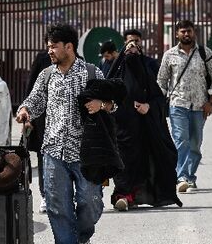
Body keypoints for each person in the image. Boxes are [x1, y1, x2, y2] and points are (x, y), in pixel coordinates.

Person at [15, 24, 116, 244]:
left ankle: (80, 237)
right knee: (56, 204)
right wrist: (25, 110)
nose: (49, 51)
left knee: (91, 202)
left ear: (68, 47)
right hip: (53, 150)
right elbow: (35, 100)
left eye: (53, 47)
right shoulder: (47, 75)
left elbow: (112, 104)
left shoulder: (91, 72)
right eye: (48, 47)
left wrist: (101, 104)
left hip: (86, 152)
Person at [107, 39, 182, 211]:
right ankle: (122, 195)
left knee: (141, 162)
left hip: (143, 128)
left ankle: (131, 196)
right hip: (120, 128)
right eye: (128, 51)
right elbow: (105, 97)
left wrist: (148, 107)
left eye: (135, 52)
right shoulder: (116, 75)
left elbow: (158, 99)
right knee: (122, 161)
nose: (131, 54)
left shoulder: (147, 75)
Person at [157, 20, 212, 193]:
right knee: (181, 140)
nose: (186, 34)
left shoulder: (204, 53)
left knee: (195, 143)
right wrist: (158, 101)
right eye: (183, 31)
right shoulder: (170, 55)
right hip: (178, 104)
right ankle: (181, 177)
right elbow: (162, 80)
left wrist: (211, 102)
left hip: (200, 106)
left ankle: (190, 177)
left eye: (189, 31)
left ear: (194, 33)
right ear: (177, 34)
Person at [25, 49, 52, 213]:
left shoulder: (79, 63)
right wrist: (28, 116)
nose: (52, 50)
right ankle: (45, 195)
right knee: (44, 156)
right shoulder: (42, 60)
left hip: (70, 123)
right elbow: (32, 90)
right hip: (44, 119)